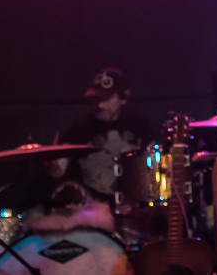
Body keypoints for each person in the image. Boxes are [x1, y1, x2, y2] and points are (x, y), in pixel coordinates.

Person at [46, 67, 153, 205]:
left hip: (134, 206)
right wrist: (52, 163)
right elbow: (57, 172)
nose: (100, 104)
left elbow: (155, 164)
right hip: (91, 209)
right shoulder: (79, 128)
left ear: (124, 98)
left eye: (107, 98)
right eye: (96, 98)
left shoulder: (139, 125)